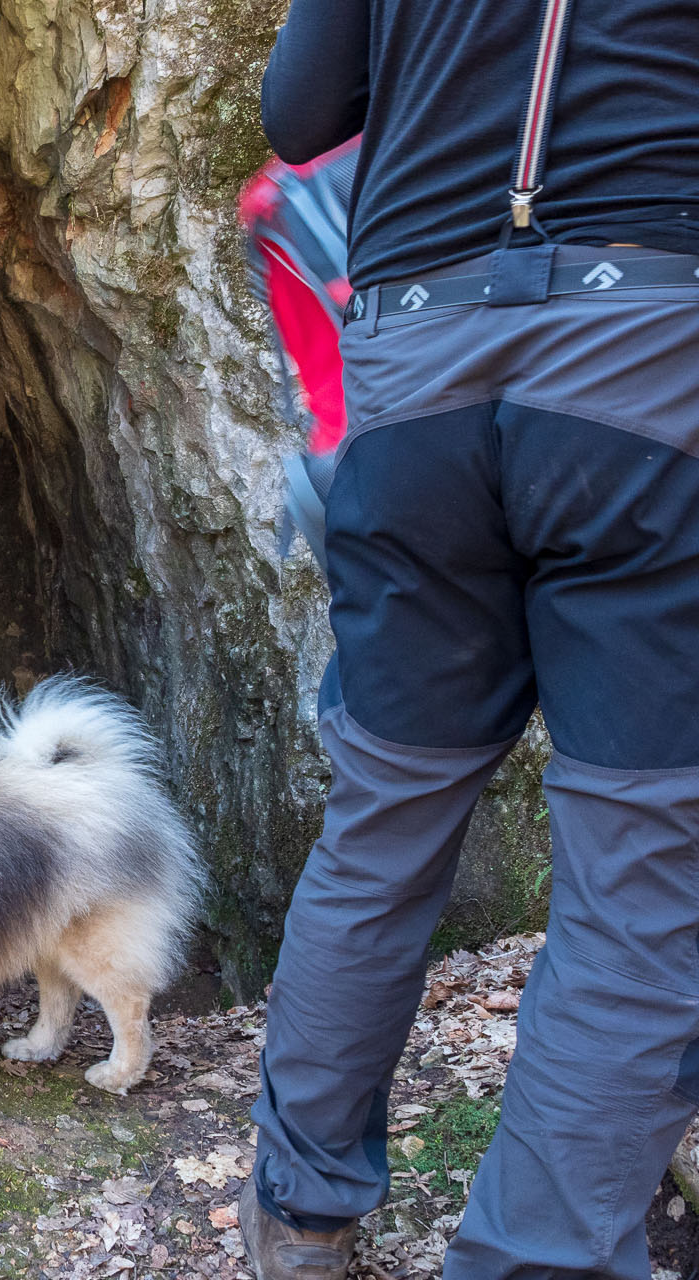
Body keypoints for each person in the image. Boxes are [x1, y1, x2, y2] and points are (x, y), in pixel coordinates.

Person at [244, 4, 699, 1280]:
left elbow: (300, 110)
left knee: (385, 808)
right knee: (645, 869)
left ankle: (297, 1212)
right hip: (649, 360)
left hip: (415, 371)